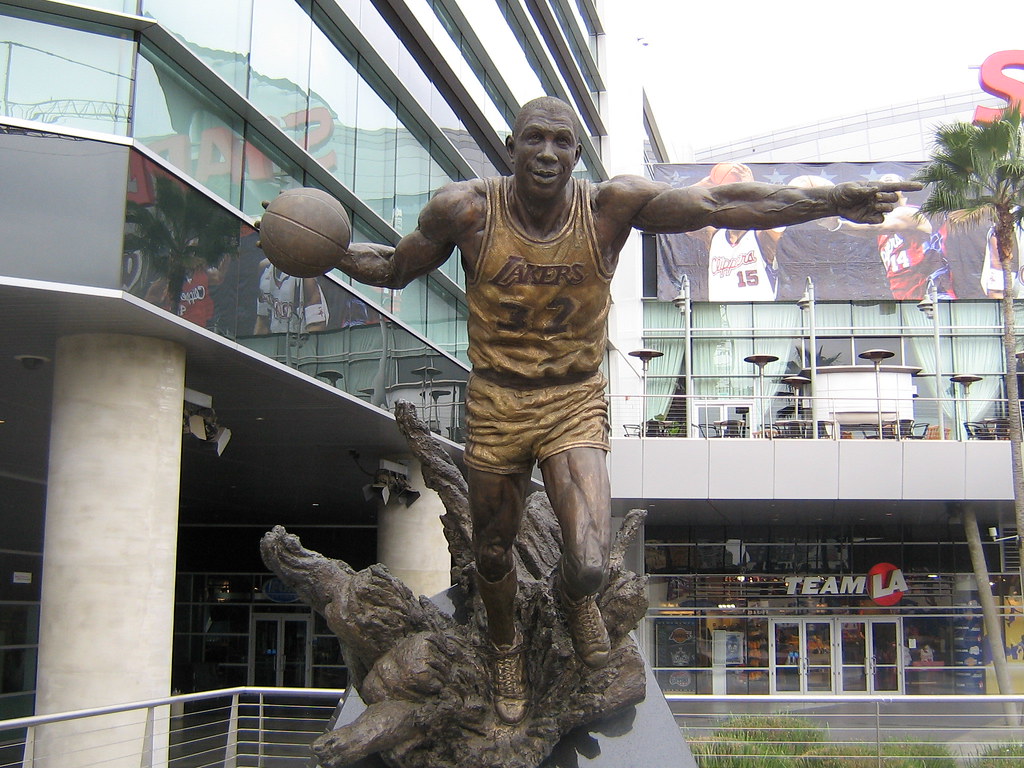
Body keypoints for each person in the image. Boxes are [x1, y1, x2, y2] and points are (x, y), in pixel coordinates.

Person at [276, 96, 917, 724]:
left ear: (578, 153)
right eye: (535, 139)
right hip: (498, 402)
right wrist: (324, 253)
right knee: (492, 554)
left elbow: (722, 203)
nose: (549, 153)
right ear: (511, 148)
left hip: (573, 398)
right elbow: (394, 265)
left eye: (562, 141)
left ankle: (573, 598)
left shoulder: (611, 208)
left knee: (587, 560)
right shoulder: (467, 210)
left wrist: (832, 199)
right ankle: (505, 650)